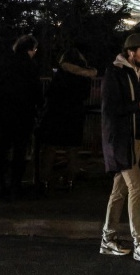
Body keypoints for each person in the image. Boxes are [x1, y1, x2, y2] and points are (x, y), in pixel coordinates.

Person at [100, 33, 140, 262]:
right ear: (131, 52)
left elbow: (134, 106)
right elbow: (111, 108)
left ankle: (108, 239)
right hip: (120, 141)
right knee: (137, 186)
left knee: (120, 191)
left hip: (136, 139)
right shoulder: (115, 73)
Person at [34, 48, 97, 193]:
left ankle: (44, 181)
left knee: (50, 149)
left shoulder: (61, 74)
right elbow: (85, 95)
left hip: (56, 114)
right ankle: (70, 181)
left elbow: (50, 92)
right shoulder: (85, 76)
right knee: (73, 150)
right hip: (75, 115)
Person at [0, 34, 44, 199]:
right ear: (31, 49)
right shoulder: (30, 66)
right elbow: (36, 90)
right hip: (24, 112)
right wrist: (39, 105)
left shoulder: (4, 62)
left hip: (4, 111)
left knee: (2, 148)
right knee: (20, 151)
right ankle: (15, 185)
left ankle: (0, 183)